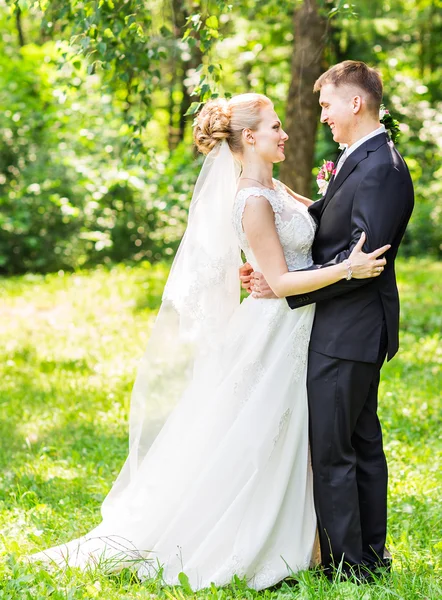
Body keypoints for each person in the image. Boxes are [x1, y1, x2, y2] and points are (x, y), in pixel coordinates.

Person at [31, 92, 388, 590]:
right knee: (263, 435)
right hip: (277, 329)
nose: (285, 134)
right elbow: (283, 283)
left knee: (297, 436)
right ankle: (253, 539)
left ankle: (308, 541)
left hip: (302, 325)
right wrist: (346, 269)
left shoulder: (277, 187)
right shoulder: (251, 199)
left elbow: (312, 230)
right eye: (275, 127)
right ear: (249, 137)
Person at [240, 62, 414, 580]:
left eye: (327, 106)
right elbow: (336, 216)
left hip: (350, 326)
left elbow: (366, 261)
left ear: (355, 104)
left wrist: (286, 284)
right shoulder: (362, 159)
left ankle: (348, 565)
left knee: (336, 446)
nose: (323, 117)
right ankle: (367, 556)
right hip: (349, 325)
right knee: (358, 440)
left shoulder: (381, 166)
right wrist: (290, 201)